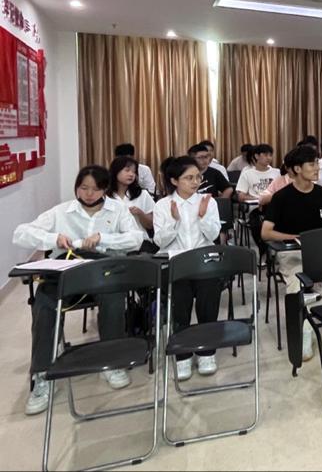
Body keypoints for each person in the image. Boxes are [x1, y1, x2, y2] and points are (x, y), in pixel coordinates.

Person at [13, 165, 144, 415]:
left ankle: (112, 360)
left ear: (105, 189)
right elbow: (21, 233)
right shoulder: (61, 211)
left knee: (114, 297)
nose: (89, 194)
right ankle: (42, 373)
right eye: (84, 188)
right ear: (76, 187)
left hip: (102, 271)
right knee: (44, 303)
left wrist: (103, 239)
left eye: (95, 189)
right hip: (66, 272)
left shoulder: (117, 210)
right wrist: (54, 239)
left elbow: (136, 238)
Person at [261, 145, 322, 359]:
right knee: (297, 282)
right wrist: (294, 237)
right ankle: (305, 331)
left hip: (321, 251)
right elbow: (266, 232)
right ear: (297, 169)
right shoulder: (282, 197)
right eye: (311, 164)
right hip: (292, 252)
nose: (317, 168)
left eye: (316, 163)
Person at [153, 156, 223, 381]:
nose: (195, 182)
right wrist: (174, 221)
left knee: (208, 302)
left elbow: (213, 235)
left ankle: (206, 352)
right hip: (177, 263)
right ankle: (182, 354)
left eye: (198, 177)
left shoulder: (208, 202)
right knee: (179, 305)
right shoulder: (163, 205)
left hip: (204, 261)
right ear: (174, 181)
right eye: (188, 178)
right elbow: (159, 241)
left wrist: (202, 216)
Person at [108, 156, 155, 235]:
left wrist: (140, 214)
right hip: (113, 239)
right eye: (127, 170)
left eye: (134, 172)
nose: (131, 174)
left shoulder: (143, 194)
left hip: (140, 240)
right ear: (116, 171)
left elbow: (151, 225)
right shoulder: (105, 196)